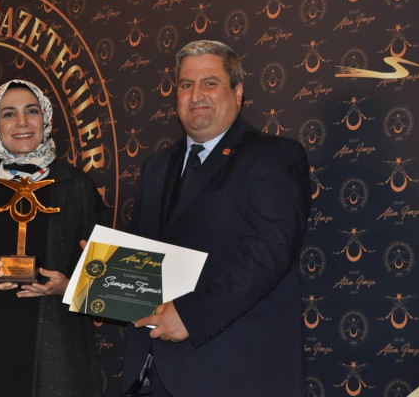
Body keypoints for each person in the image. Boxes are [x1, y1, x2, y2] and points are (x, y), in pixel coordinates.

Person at [121, 40, 311, 396]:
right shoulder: (155, 167)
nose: (196, 95)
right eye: (186, 85)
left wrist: (192, 316)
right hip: (155, 376)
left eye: (210, 83)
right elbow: (146, 261)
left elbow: (268, 255)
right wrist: (95, 279)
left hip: (235, 377)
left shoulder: (274, 157)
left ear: (237, 93)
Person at [0, 79, 107, 397]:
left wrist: (69, 287)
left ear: (46, 119)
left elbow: (113, 280)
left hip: (58, 355)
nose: (22, 122)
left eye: (32, 111)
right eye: (9, 114)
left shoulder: (78, 188)